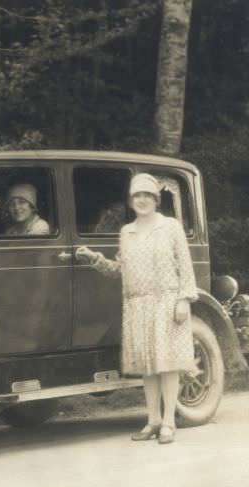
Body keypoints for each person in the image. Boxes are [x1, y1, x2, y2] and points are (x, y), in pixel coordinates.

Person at [76, 173, 198, 444]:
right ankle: (152, 419)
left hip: (166, 301)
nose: (141, 200)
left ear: (155, 199)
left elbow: (185, 265)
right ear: (131, 201)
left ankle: (168, 422)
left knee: (167, 364)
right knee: (147, 366)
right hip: (137, 304)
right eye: (136, 195)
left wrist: (184, 299)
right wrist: (94, 259)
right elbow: (120, 269)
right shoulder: (126, 232)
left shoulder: (170, 227)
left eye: (147, 195)